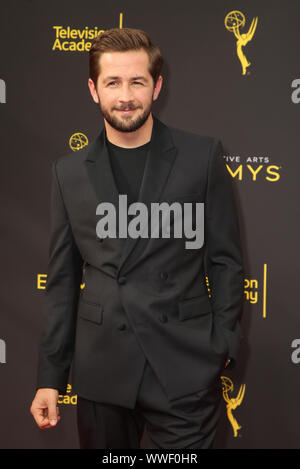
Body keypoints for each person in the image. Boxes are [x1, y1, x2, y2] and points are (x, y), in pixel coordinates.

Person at [30, 27, 244, 449]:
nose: (125, 95)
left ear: (157, 86)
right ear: (94, 89)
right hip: (103, 370)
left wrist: (222, 344)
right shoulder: (68, 172)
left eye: (137, 82)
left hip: (183, 369)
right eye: (112, 82)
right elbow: (62, 281)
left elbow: (226, 262)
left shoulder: (201, 157)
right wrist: (50, 378)